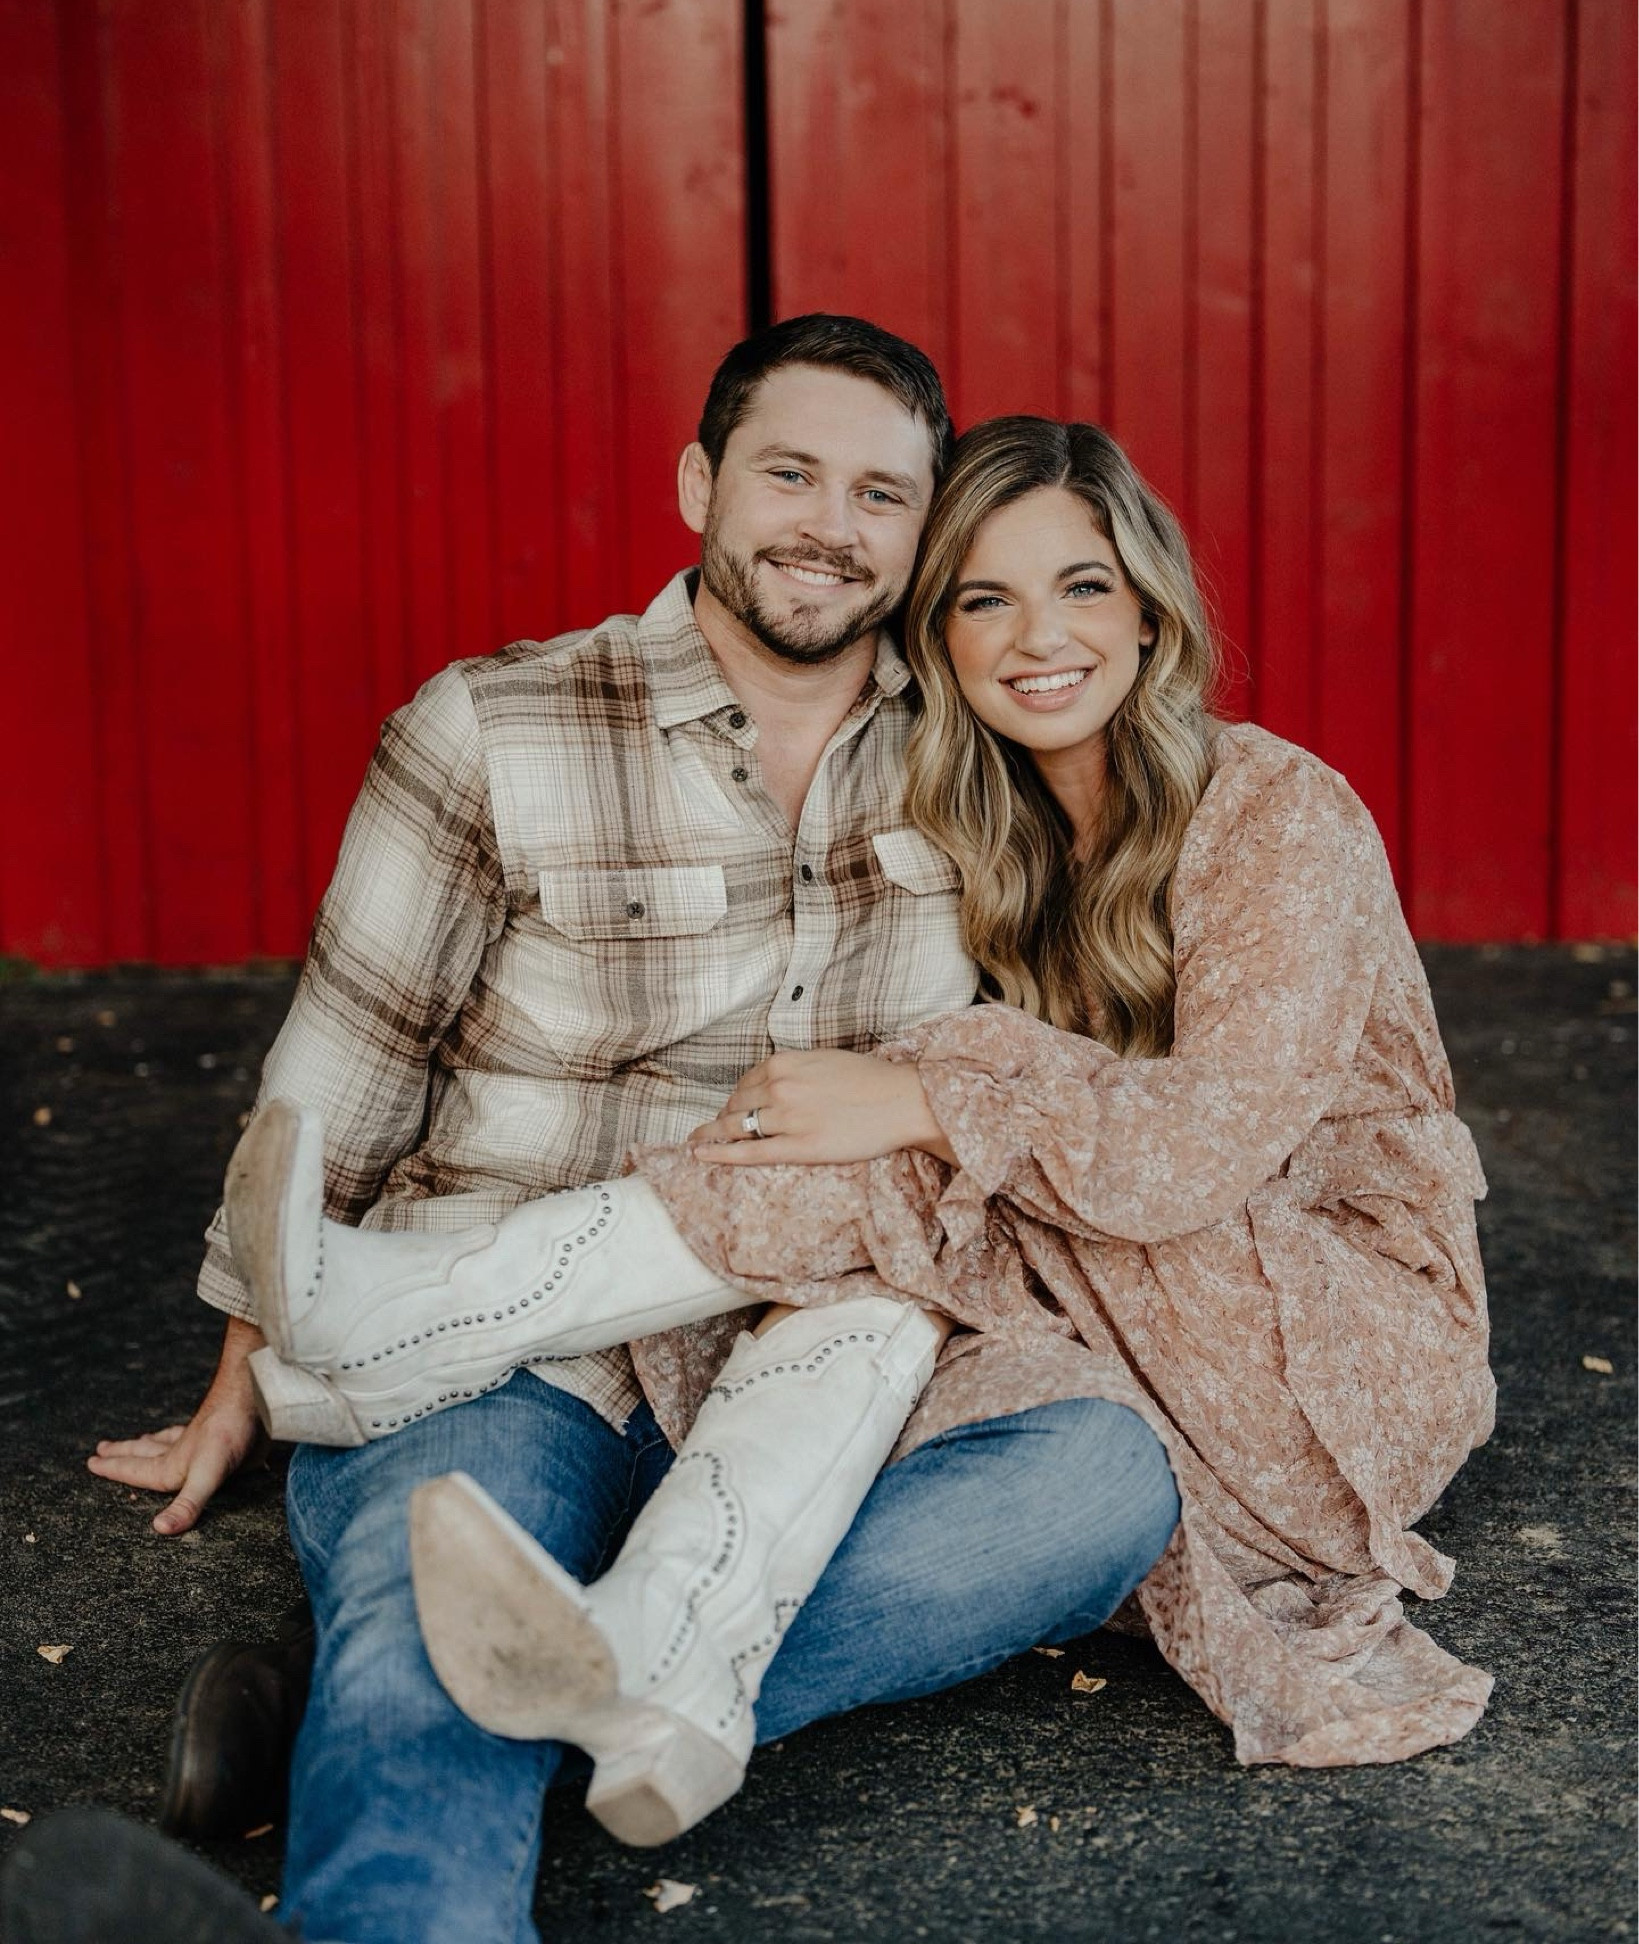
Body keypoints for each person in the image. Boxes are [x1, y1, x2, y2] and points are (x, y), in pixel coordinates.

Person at [49, 327, 1182, 1944]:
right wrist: (249, 1370)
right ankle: (431, 1772)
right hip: (512, 1340)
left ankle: (398, 1696)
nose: (830, 525)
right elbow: (339, 1076)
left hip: (829, 1356)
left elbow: (1084, 1032)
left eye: (883, 493)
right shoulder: (497, 724)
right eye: (789, 472)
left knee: (1100, 1483)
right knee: (446, 1615)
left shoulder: (985, 749)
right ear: (700, 483)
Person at [228, 415, 1497, 1847]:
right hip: (1114, 1279)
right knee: (898, 1244)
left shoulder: (1274, 811)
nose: (1039, 635)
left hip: (1326, 1335)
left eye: (1081, 585)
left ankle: (396, 1326)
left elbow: (1199, 1146)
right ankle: (649, 1656)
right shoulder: (983, 825)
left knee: (929, 1103)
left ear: (1148, 610)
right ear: (935, 636)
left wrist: (927, 1098)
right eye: (983, 597)